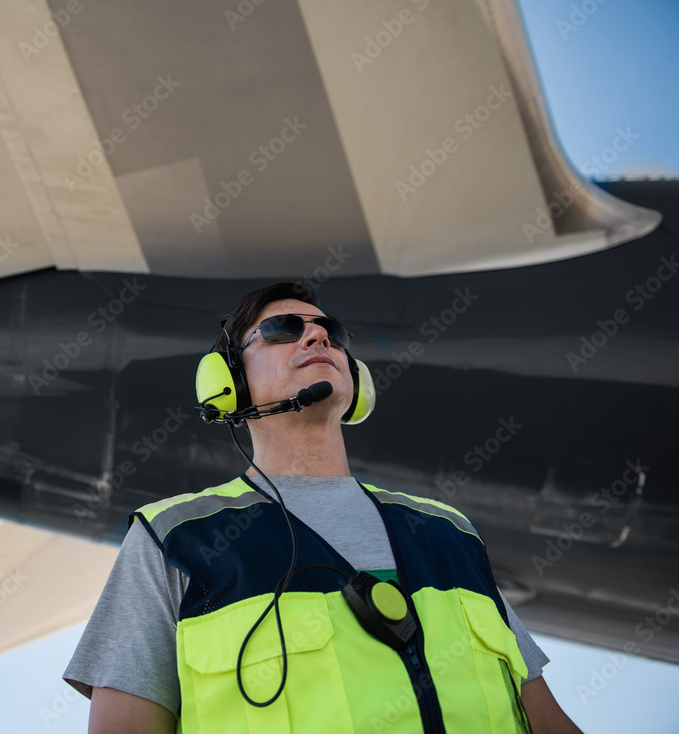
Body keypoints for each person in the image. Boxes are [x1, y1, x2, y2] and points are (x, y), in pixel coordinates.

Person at [64, 282, 582, 733]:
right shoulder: (175, 538)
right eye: (284, 328)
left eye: (330, 331)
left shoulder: (450, 532)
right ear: (227, 382)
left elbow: (549, 722)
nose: (319, 337)